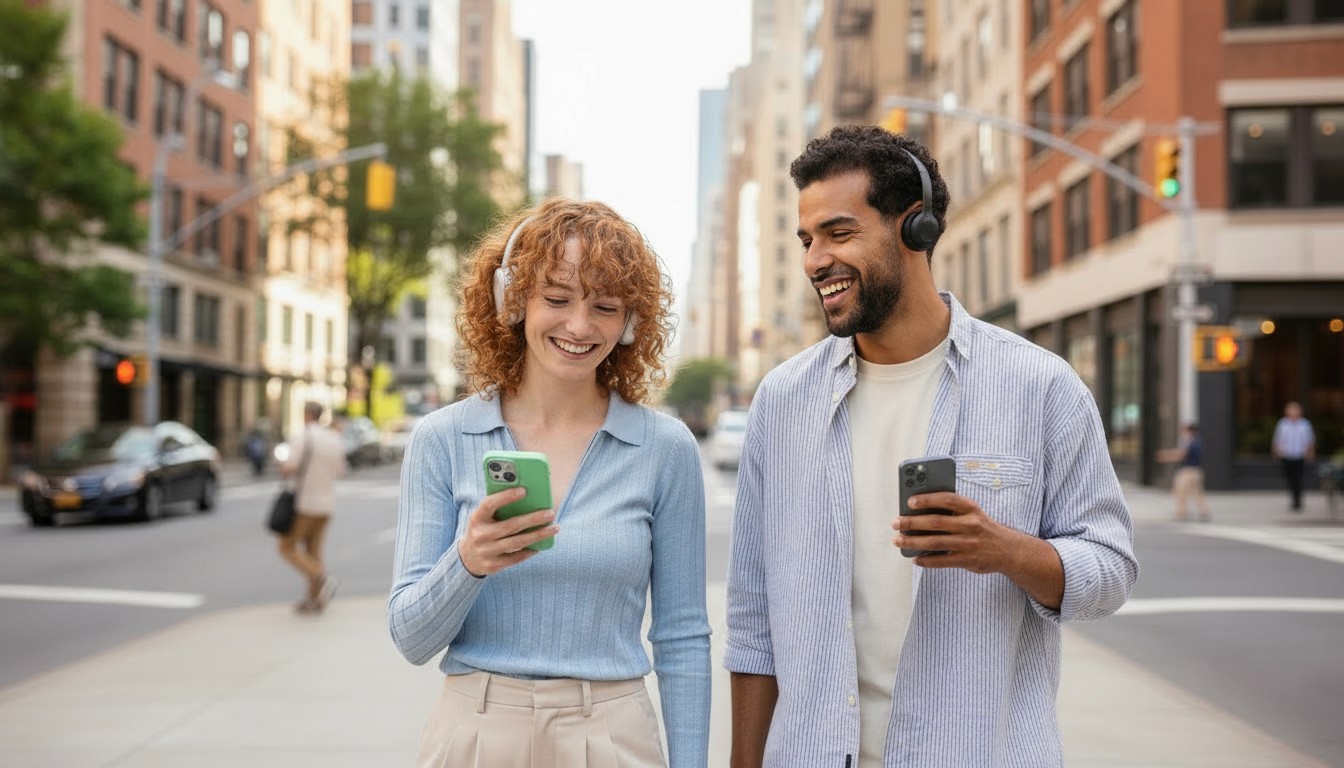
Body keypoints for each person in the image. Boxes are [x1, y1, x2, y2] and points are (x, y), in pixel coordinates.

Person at [724, 125, 1138, 767]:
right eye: (807, 241)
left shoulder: (1041, 386)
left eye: (838, 233)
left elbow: (1109, 573)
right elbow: (753, 624)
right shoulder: (781, 402)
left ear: (913, 228)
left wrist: (1005, 551)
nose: (814, 261)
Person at [388, 198, 711, 768]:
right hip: (474, 734)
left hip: (614, 736)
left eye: (605, 307)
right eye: (557, 299)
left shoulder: (666, 449)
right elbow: (412, 639)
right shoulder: (443, 438)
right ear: (511, 300)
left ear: (632, 321)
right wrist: (467, 562)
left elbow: (682, 637)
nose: (580, 326)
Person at [277, 401, 346, 614]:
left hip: (305, 503)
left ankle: (322, 578)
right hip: (327, 504)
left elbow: (290, 467)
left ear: (306, 414)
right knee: (313, 551)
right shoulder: (333, 438)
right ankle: (314, 599)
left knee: (286, 547)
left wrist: (284, 469)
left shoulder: (304, 436)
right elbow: (341, 470)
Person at [1158, 424, 1211, 522]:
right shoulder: (1198, 442)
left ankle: (1181, 512)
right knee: (1197, 492)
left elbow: (1182, 454)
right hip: (1197, 471)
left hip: (1188, 471)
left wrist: (1166, 456)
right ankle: (1203, 511)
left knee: (1180, 492)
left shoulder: (1191, 442)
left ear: (1190, 431)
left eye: (1185, 431)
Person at [1272, 401, 1315, 511]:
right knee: (1289, 478)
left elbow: (1309, 440)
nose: (1293, 412)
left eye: (1295, 409)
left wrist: (1309, 452)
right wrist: (1277, 451)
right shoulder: (1283, 424)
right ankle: (1293, 497)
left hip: (1299, 455)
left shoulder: (1305, 424)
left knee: (1298, 479)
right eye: (1291, 409)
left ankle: (1297, 501)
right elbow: (1278, 439)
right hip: (1287, 455)